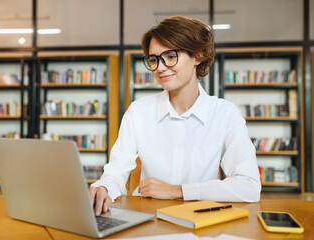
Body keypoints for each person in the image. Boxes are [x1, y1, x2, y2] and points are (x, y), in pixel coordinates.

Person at [89, 16, 261, 216]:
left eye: (170, 57)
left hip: (202, 221)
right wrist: (104, 187)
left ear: (197, 56)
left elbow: (249, 186)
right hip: (148, 220)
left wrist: (176, 191)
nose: (160, 68)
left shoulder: (225, 113)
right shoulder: (138, 112)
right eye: (153, 60)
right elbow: (115, 172)